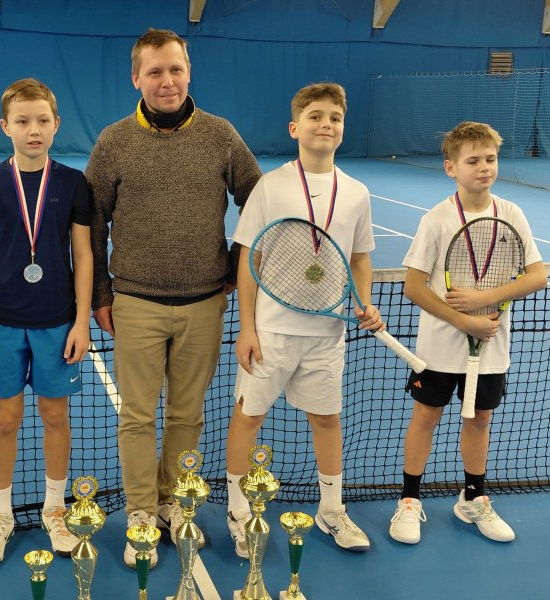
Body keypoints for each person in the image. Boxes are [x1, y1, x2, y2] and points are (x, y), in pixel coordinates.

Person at [85, 28, 262, 568]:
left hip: (204, 304)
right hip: (134, 303)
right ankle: (141, 512)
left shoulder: (220, 135)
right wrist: (100, 293)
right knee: (137, 417)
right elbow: (92, 221)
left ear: (189, 72)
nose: (167, 81)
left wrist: (235, 263)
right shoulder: (114, 141)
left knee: (187, 416)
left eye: (176, 69)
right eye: (155, 71)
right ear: (136, 78)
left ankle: (174, 504)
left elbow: (258, 200)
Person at [226, 82, 383, 558]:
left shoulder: (356, 193)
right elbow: (248, 260)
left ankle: (331, 509)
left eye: (334, 117)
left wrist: (365, 301)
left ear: (343, 129)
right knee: (249, 415)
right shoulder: (271, 186)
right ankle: (237, 511)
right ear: (295, 127)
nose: (325, 124)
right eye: (315, 116)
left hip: (327, 333)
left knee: (327, 419)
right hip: (271, 331)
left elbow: (360, 258)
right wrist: (247, 327)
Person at [389, 121, 547, 544]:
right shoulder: (437, 220)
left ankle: (473, 499)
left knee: (480, 419)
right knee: (426, 417)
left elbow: (537, 276)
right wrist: (464, 320)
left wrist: (483, 299)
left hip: (491, 346)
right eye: (473, 160)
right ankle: (409, 500)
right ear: (451, 168)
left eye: (490, 159)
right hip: (439, 348)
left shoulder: (512, 215)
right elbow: (414, 286)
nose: (484, 167)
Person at [0, 78, 92, 563]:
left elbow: (83, 253)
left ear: (56, 124)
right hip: (2, 323)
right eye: (22, 121)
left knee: (56, 416)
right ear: (5, 126)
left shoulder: (73, 182)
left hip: (57, 322)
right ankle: (1, 515)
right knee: (5, 419)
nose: (33, 130)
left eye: (42, 120)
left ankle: (54, 508)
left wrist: (81, 321)